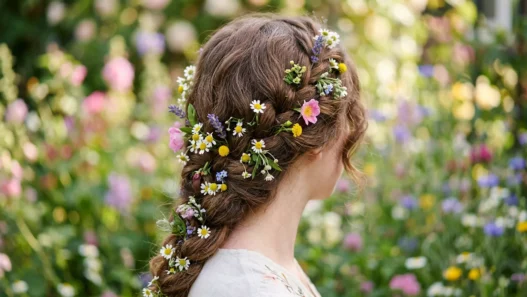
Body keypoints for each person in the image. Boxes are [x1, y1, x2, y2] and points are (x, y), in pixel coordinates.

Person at [147, 14, 367, 297]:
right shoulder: (249, 286)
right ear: (315, 135)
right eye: (345, 118)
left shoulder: (264, 270)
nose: (350, 132)